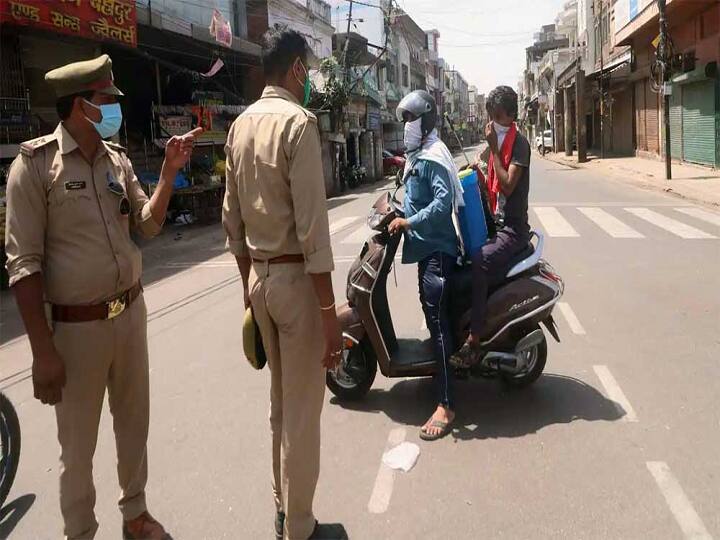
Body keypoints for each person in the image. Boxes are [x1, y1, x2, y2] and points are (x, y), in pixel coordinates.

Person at [4, 54, 201, 539]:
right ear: (79, 107)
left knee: (134, 426)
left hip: (130, 314)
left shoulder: (118, 161)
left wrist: (171, 172)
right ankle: (81, 533)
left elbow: (149, 226)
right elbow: (23, 265)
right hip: (76, 331)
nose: (115, 108)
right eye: (106, 100)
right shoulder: (34, 167)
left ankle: (135, 514)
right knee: (77, 449)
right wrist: (42, 352)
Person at [222, 28, 344, 540]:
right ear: (296, 68)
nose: (311, 79)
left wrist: (251, 291)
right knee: (301, 413)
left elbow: (233, 225)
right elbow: (314, 233)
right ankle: (300, 526)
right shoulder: (298, 125)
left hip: (261, 284)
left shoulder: (239, 128)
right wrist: (328, 315)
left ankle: (282, 508)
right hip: (296, 284)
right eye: (310, 69)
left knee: (279, 405)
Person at [388, 90, 465, 441]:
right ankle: (442, 366)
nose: (406, 127)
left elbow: (442, 202)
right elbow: (414, 195)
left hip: (437, 249)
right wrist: (397, 212)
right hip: (426, 249)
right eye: (404, 120)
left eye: (410, 120)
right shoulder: (419, 156)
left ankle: (446, 404)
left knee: (436, 321)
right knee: (435, 317)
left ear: (426, 122)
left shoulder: (432, 157)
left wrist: (410, 222)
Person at [451, 85, 532, 367]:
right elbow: (494, 190)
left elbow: (508, 186)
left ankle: (474, 340)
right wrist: (478, 175)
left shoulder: (519, 144)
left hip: (514, 229)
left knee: (480, 259)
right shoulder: (495, 144)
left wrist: (495, 150)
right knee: (460, 256)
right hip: (496, 225)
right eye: (491, 115)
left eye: (498, 116)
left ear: (511, 116)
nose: (493, 122)